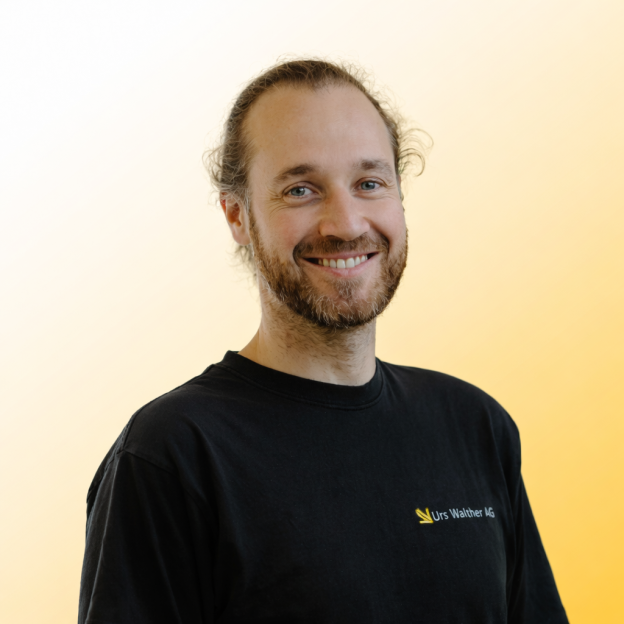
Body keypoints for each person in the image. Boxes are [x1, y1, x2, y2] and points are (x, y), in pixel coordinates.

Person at [78, 59, 568, 623]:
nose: (346, 223)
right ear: (237, 217)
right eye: (301, 189)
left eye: (369, 184)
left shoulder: (474, 425)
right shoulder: (173, 454)